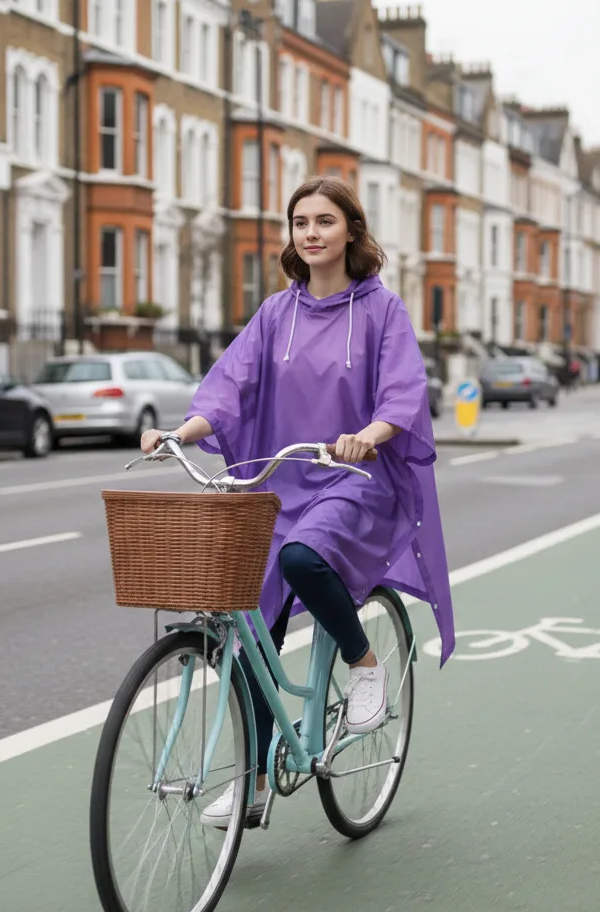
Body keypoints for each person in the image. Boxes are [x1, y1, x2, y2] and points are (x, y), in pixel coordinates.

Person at [141, 176, 455, 827]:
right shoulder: (277, 314)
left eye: (324, 221)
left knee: (306, 560)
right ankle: (253, 783)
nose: (310, 232)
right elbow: (228, 386)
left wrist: (368, 437)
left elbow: (402, 393)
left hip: (353, 480)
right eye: (300, 221)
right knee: (249, 629)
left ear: (350, 232)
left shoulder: (380, 311)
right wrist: (181, 432)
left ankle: (363, 663)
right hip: (278, 484)